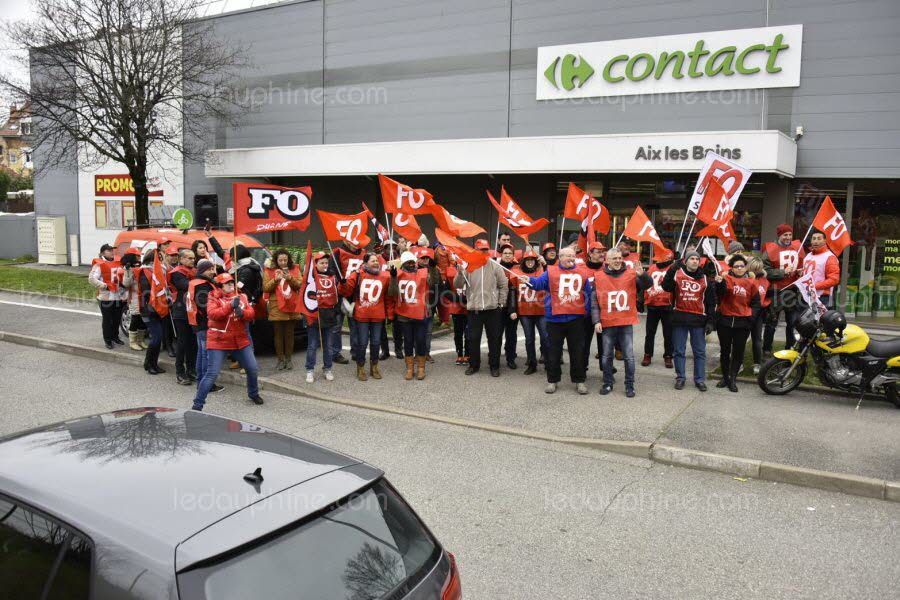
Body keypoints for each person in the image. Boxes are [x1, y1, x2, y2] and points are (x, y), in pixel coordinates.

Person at [522, 247, 593, 395]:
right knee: (553, 352)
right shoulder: (551, 272)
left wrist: (585, 312)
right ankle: (552, 380)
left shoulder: (582, 272)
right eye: (568, 256)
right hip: (554, 319)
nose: (571, 259)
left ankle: (579, 380)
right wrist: (529, 280)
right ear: (560, 257)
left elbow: (588, 294)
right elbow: (539, 284)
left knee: (577, 352)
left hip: (575, 319)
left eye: (573, 256)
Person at [192, 273, 263, 410]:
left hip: (240, 340)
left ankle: (253, 393)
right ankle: (198, 404)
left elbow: (251, 313)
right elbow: (213, 314)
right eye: (227, 283)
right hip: (219, 341)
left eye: (232, 282)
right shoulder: (213, 297)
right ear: (220, 286)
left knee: (252, 368)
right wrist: (230, 306)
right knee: (212, 373)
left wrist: (242, 313)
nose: (231, 284)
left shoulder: (241, 296)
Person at [592, 248, 652, 397]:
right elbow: (594, 301)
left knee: (629, 356)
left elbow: (647, 284)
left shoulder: (631, 274)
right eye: (614, 258)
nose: (618, 260)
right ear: (607, 260)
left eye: (619, 258)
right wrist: (596, 320)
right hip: (607, 321)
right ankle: (607, 383)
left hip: (625, 321)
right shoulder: (598, 276)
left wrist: (643, 274)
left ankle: (629, 385)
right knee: (606, 356)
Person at [662, 250, 717, 392]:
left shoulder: (705, 279)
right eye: (691, 258)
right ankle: (680, 377)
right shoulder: (677, 275)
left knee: (699, 352)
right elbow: (665, 286)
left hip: (698, 320)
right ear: (685, 261)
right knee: (679, 351)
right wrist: (671, 269)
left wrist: (711, 321)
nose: (694, 261)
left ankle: (699, 379)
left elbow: (711, 302)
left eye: (697, 259)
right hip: (679, 319)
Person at [454, 239, 508, 377]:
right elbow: (458, 285)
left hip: (492, 310)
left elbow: (503, 285)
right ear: (475, 251)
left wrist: (501, 303)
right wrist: (460, 273)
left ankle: (494, 366)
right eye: (481, 249)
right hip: (474, 310)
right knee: (473, 339)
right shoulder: (468, 266)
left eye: (486, 249)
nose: (484, 252)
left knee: (495, 339)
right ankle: (474, 365)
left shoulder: (496, 266)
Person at [390, 251, 441, 380]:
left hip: (421, 313)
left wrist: (433, 267)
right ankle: (409, 368)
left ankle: (421, 368)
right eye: (408, 263)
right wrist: (393, 278)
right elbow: (392, 293)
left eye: (413, 262)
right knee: (407, 342)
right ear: (403, 264)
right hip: (404, 314)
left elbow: (434, 281)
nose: (412, 265)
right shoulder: (398, 274)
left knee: (420, 341)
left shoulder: (422, 274)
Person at [714, 254, 760, 392]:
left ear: (745, 267)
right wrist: (718, 283)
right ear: (732, 268)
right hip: (725, 321)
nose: (739, 269)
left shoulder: (752, 283)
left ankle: (733, 378)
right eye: (736, 266)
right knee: (725, 351)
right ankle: (725, 378)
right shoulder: (725, 279)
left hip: (743, 323)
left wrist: (751, 318)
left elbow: (756, 303)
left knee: (738, 352)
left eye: (741, 266)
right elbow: (720, 294)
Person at [340, 253, 390, 380]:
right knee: (362, 343)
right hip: (362, 315)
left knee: (375, 342)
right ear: (365, 262)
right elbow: (345, 290)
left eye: (377, 261)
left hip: (378, 315)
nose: (376, 263)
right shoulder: (357, 274)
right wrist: (343, 283)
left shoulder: (384, 275)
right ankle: (360, 367)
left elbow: (390, 295)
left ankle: (374, 367)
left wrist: (394, 276)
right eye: (373, 261)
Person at [763, 224, 805, 353]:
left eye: (790, 235)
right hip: (776, 291)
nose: (788, 237)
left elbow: (803, 265)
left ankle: (790, 348)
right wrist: (782, 272)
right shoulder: (770, 250)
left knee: (792, 322)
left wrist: (800, 272)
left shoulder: (797, 248)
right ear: (779, 236)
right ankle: (767, 350)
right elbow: (764, 271)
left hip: (792, 291)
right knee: (771, 323)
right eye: (785, 235)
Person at [187, 259, 224, 394]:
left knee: (201, 354)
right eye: (210, 269)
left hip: (196, 323)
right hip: (204, 323)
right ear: (203, 271)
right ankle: (206, 384)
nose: (212, 272)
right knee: (206, 355)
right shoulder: (202, 285)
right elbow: (204, 305)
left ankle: (201, 382)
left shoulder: (195, 282)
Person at [263, 249, 302, 370]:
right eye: (280, 260)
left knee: (290, 334)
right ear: (276, 260)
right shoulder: (269, 271)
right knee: (278, 335)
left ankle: (289, 359)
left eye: (285, 260)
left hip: (292, 304)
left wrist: (290, 278)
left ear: (289, 259)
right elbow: (265, 288)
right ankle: (280, 359)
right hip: (277, 306)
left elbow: (300, 285)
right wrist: (275, 279)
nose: (283, 262)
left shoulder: (295, 269)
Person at [305, 252, 340, 383]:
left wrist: (335, 311)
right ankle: (309, 370)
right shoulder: (310, 278)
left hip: (329, 315)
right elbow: (304, 296)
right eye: (321, 263)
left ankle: (328, 368)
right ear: (315, 264)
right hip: (314, 315)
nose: (325, 265)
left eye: (326, 262)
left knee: (328, 345)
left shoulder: (333, 277)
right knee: (312, 345)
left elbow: (337, 296)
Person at [512, 247, 547, 375]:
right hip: (525, 312)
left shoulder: (542, 271)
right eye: (528, 260)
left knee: (545, 337)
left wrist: (545, 264)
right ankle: (532, 363)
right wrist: (513, 309)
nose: (530, 262)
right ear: (524, 261)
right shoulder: (516, 273)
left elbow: (551, 276)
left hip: (541, 311)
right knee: (529, 339)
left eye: (532, 260)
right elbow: (513, 292)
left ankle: (548, 362)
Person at [331, 239, 366, 364]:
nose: (355, 244)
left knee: (355, 325)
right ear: (346, 241)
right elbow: (331, 272)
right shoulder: (337, 252)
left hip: (355, 294)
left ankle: (356, 352)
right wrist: (340, 283)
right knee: (337, 326)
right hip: (339, 294)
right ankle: (335, 353)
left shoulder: (363, 253)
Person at [642, 246, 675, 368]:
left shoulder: (672, 269)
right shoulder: (651, 268)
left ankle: (668, 356)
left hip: (667, 305)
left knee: (668, 333)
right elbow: (646, 284)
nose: (658, 261)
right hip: (653, 305)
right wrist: (643, 299)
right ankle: (647, 354)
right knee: (650, 332)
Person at [89, 243, 127, 349]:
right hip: (106, 297)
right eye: (108, 250)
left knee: (117, 318)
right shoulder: (99, 264)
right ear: (102, 253)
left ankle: (115, 337)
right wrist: (104, 286)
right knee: (107, 320)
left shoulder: (118, 262)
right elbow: (91, 279)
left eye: (112, 250)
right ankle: (108, 340)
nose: (111, 252)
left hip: (118, 296)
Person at [169, 249, 198, 385]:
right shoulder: (176, 273)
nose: (193, 260)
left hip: (193, 311)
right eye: (189, 258)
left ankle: (191, 370)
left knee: (193, 342)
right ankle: (180, 372)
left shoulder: (196, 272)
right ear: (181, 259)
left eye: (193, 258)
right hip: (181, 312)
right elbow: (186, 286)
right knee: (182, 342)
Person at [138, 250, 167, 375]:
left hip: (158, 308)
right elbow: (146, 292)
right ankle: (149, 364)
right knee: (156, 338)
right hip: (148, 310)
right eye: (158, 258)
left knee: (158, 338)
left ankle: (151, 363)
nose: (161, 260)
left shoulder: (160, 272)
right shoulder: (145, 272)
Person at [580, 242, 606, 373]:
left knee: (605, 344)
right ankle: (582, 369)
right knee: (584, 343)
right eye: (599, 251)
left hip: (604, 312)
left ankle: (605, 367)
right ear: (590, 253)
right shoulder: (581, 269)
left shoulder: (607, 268)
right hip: (586, 313)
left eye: (603, 251)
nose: (602, 254)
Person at [803, 230, 841, 308]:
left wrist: (814, 286)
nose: (816, 241)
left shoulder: (829, 257)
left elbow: (834, 280)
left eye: (819, 238)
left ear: (825, 241)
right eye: (814, 238)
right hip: (807, 296)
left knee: (820, 320)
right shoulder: (808, 255)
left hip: (822, 298)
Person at [119, 247, 148, 351]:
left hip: (143, 296)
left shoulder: (141, 266)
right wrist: (128, 271)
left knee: (143, 319)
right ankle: (133, 342)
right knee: (135, 318)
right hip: (134, 296)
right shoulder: (125, 269)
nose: (139, 257)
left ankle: (140, 340)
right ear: (131, 257)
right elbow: (126, 284)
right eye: (137, 256)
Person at [748, 257, 771, 375]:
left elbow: (767, 296)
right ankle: (738, 362)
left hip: (758, 314)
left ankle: (757, 363)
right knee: (740, 340)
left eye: (759, 269)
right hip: (745, 313)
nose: (756, 271)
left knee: (757, 339)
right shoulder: (746, 278)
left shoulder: (765, 281)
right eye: (754, 269)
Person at [498, 244, 519, 369]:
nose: (507, 255)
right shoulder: (496, 267)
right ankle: (494, 356)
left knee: (511, 334)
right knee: (497, 334)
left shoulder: (517, 268)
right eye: (505, 253)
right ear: (501, 254)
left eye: (510, 253)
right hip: (499, 306)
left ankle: (511, 358)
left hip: (513, 307)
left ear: (513, 255)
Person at [445, 262, 470, 365]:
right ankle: (459, 353)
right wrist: (458, 298)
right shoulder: (450, 271)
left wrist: (468, 298)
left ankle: (468, 353)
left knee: (469, 333)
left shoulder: (472, 270)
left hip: (470, 308)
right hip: (457, 308)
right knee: (458, 333)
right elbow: (446, 291)